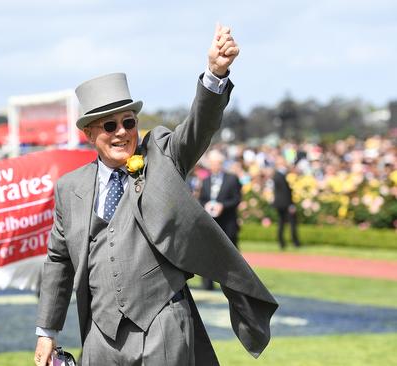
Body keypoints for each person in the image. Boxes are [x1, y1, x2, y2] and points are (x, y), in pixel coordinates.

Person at [34, 24, 277, 366]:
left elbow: (198, 127)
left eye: (129, 122)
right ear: (90, 134)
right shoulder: (69, 187)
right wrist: (47, 330)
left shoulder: (162, 155)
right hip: (100, 335)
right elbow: (58, 262)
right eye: (109, 125)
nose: (122, 132)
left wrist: (215, 74)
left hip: (162, 323)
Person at [198, 150, 242, 290]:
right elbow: (202, 199)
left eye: (217, 163)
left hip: (228, 223)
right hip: (211, 224)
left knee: (230, 255)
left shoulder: (232, 179)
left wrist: (223, 206)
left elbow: (236, 199)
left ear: (221, 163)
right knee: (208, 253)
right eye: (212, 163)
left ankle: (232, 284)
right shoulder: (205, 181)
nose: (214, 165)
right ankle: (207, 284)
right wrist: (206, 205)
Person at [271, 156, 301, 249]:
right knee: (291, 223)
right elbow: (285, 192)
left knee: (281, 223)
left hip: (279, 203)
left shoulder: (277, 175)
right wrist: (290, 204)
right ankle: (295, 242)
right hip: (285, 204)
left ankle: (282, 242)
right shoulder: (281, 175)